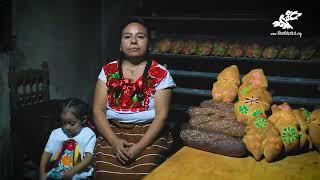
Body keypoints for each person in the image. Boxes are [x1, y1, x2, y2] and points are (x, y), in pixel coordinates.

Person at [92, 18, 176, 179]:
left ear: (149, 44)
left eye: (140, 36)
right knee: (105, 171)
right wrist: (115, 142)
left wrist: (138, 148)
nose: (133, 41)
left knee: (146, 171)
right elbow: (98, 110)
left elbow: (161, 116)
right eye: (127, 36)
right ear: (120, 45)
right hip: (113, 130)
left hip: (149, 132)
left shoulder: (160, 74)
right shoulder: (108, 71)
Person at [39, 98, 96, 180]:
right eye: (63, 123)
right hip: (57, 173)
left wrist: (72, 171)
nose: (67, 127)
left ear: (83, 120)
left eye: (72, 123)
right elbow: (46, 154)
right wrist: (41, 173)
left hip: (80, 175)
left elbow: (88, 157)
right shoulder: (55, 133)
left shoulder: (88, 134)